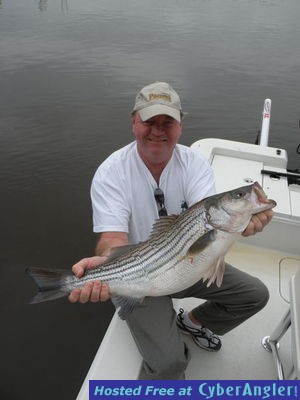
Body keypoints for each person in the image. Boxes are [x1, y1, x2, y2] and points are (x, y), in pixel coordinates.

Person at [69, 82, 273, 379]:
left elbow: (209, 225)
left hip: (191, 264)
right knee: (170, 364)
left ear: (181, 125)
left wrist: (244, 225)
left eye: (168, 122)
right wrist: (106, 264)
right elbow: (112, 239)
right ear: (133, 122)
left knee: (256, 295)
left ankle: (192, 322)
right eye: (149, 121)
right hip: (138, 275)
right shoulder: (111, 173)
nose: (158, 131)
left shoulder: (194, 163)